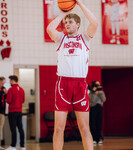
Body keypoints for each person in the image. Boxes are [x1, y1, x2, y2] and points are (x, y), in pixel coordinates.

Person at [47, 0, 98, 149]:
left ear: (77, 25)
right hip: (63, 83)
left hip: (80, 84)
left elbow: (94, 22)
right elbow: (50, 28)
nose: (66, 24)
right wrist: (62, 13)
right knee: (58, 128)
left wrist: (80, 4)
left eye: (70, 22)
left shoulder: (85, 39)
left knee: (84, 128)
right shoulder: (61, 39)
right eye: (65, 23)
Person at [5, 75, 25, 150]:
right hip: (19, 111)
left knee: (13, 129)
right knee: (20, 129)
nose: (10, 82)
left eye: (10, 80)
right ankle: (22, 146)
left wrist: (6, 96)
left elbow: (8, 101)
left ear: (13, 80)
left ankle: (13, 146)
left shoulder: (11, 89)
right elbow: (23, 100)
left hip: (12, 111)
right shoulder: (21, 89)